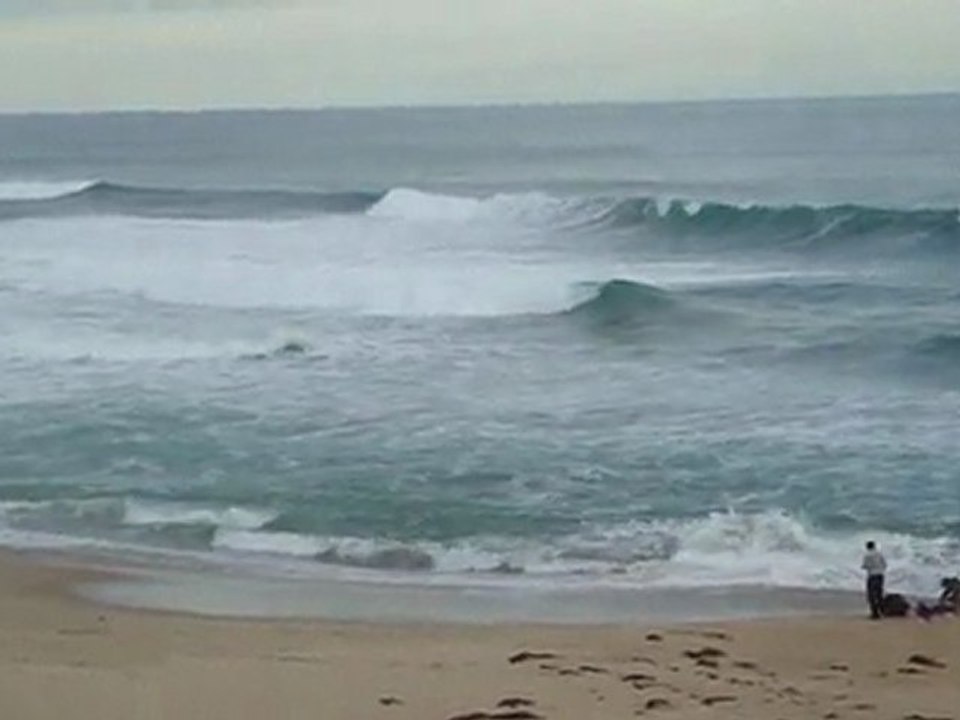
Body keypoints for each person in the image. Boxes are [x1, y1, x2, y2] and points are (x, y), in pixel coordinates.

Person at [861, 541, 887, 619]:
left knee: (871, 595)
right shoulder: (880, 554)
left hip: (872, 575)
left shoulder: (867, 555)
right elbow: (885, 564)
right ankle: (883, 611)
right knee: (879, 594)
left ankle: (875, 613)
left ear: (867, 547)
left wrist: (864, 567)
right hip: (880, 575)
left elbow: (865, 566)